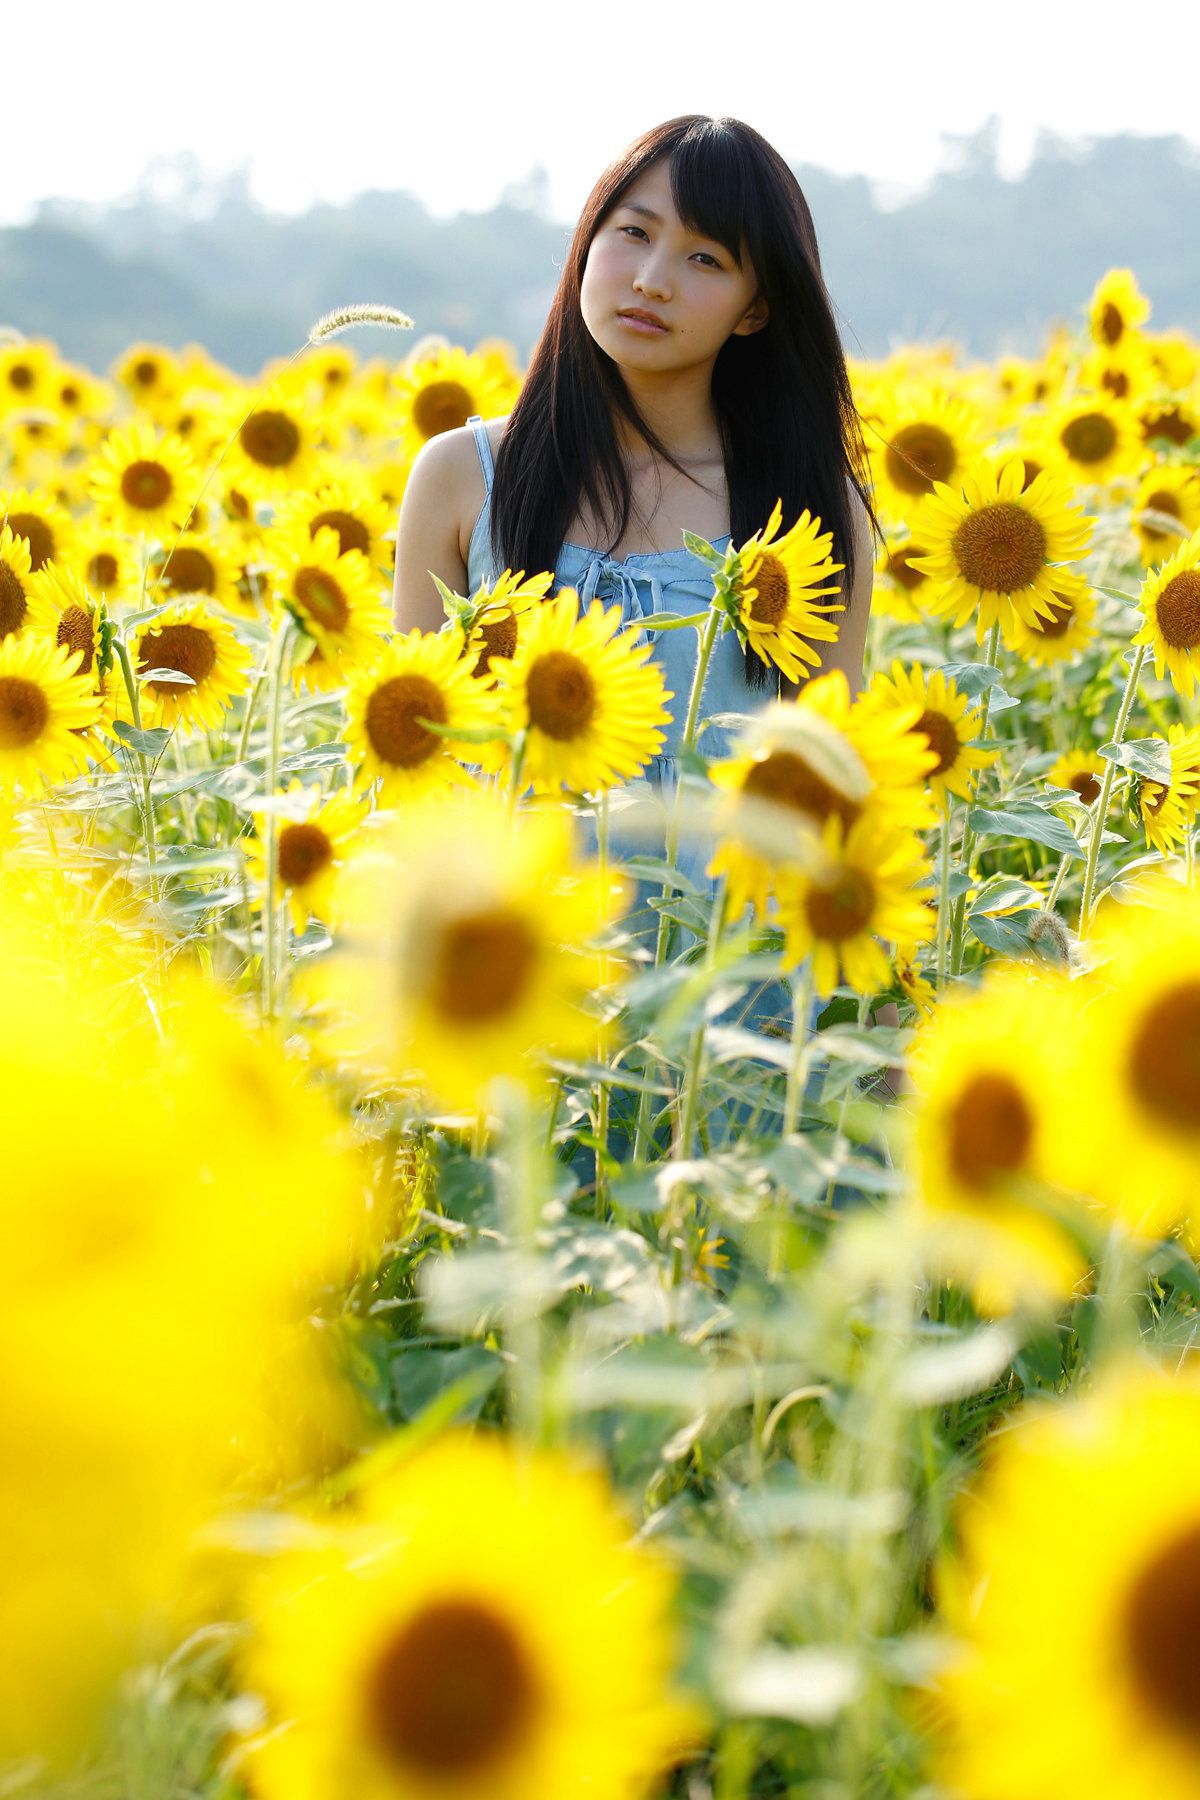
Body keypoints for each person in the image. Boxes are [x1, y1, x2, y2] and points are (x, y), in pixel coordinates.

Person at [391, 113, 896, 1114]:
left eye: (705, 257)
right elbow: (416, 766)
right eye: (632, 231)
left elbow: (837, 783)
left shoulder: (810, 506)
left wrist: (872, 1024)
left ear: (756, 309)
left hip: (744, 997)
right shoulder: (463, 477)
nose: (653, 276)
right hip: (524, 988)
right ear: (587, 241)